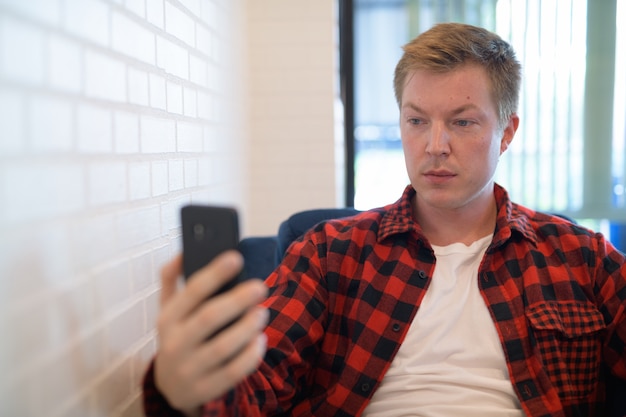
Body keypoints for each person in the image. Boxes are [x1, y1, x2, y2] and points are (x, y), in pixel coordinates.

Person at [143, 23, 626, 417]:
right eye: (417, 121)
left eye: (462, 121)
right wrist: (186, 390)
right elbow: (258, 383)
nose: (435, 145)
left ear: (506, 132)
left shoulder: (581, 258)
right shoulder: (328, 251)